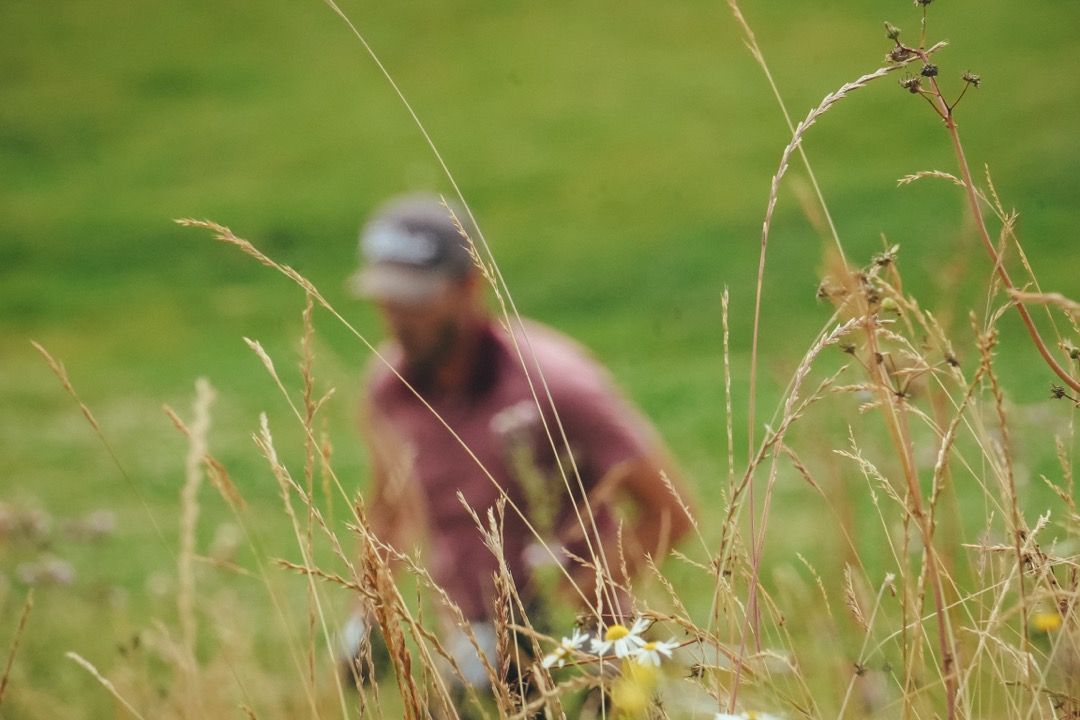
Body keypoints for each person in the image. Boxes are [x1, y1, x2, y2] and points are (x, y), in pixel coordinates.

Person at [340, 193, 694, 703]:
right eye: (388, 299)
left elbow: (669, 510)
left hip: (582, 652)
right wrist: (364, 619)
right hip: (468, 651)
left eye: (416, 300)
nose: (398, 318)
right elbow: (389, 509)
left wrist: (565, 609)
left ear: (469, 286)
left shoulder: (557, 382)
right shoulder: (387, 390)